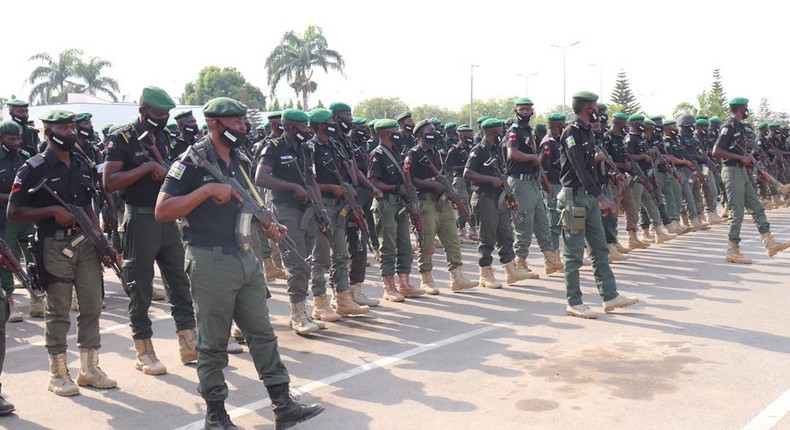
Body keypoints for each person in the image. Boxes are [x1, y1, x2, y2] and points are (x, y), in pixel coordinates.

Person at [156, 97, 323, 430]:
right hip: (210, 260)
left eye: (244, 122)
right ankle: (216, 415)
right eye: (237, 123)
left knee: (262, 333)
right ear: (216, 125)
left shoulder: (240, 160)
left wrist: (267, 223)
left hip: (246, 256)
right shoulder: (191, 162)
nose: (244, 128)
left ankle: (282, 402)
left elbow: (250, 202)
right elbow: (163, 210)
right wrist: (204, 193)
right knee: (213, 342)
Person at [8, 109, 118, 396]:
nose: (71, 132)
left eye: (72, 128)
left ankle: (89, 369)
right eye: (64, 128)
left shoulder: (81, 162)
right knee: (58, 310)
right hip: (54, 244)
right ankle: (58, 372)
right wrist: (51, 211)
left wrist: (102, 243)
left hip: (86, 243)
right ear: (48, 132)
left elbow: (89, 207)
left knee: (92, 305)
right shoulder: (33, 168)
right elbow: (15, 211)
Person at [104, 87, 197, 374]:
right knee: (140, 287)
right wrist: (146, 169)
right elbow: (108, 181)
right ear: (143, 110)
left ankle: (189, 342)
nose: (163, 118)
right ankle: (144, 350)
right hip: (140, 219)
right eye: (158, 113)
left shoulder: (164, 136)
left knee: (179, 283)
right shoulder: (121, 138)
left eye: (167, 113)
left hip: (166, 218)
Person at [557, 92, 639, 319]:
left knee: (599, 248)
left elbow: (587, 164)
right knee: (573, 254)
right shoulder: (571, 132)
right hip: (574, 197)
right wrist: (601, 197)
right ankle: (574, 302)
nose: (598, 110)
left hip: (589, 196)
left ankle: (610, 296)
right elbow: (578, 169)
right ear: (586, 108)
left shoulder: (587, 132)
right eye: (594, 106)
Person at [256, 108, 327, 334]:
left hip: (308, 211)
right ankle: (297, 315)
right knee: (296, 263)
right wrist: (292, 187)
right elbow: (261, 177)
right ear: (289, 127)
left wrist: (320, 208)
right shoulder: (273, 148)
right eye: (303, 127)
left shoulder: (306, 149)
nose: (307, 131)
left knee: (307, 261)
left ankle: (303, 312)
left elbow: (312, 179)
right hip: (286, 210)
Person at [305, 107, 371, 321]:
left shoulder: (337, 146)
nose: (336, 124)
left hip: (342, 206)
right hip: (323, 205)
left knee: (341, 254)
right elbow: (308, 181)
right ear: (323, 125)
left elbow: (350, 172)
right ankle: (320, 303)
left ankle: (342, 299)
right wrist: (332, 188)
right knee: (321, 257)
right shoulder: (311, 148)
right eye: (331, 122)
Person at [711, 97, 790, 264]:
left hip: (740, 172)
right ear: (740, 109)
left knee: (757, 207)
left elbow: (741, 155)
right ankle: (732, 249)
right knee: (736, 212)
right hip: (731, 172)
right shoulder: (728, 126)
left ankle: (769, 242)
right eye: (746, 107)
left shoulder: (738, 127)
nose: (748, 110)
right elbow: (716, 151)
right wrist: (741, 157)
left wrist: (753, 166)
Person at [406, 120, 478, 294]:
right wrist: (431, 185)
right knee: (427, 241)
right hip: (425, 201)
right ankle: (427, 279)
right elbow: (409, 179)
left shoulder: (436, 153)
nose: (435, 132)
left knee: (452, 239)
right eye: (431, 130)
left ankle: (457, 277)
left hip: (442, 201)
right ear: (422, 134)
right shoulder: (414, 154)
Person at [464, 118, 533, 288]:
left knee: (506, 235)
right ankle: (485, 273)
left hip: (500, 198)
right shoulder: (479, 150)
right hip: (485, 198)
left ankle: (510, 270)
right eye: (501, 128)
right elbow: (467, 173)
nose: (503, 130)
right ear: (494, 131)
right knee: (487, 237)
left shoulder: (497, 150)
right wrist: (490, 180)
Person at [367, 119, 426, 301]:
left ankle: (404, 283)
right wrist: (394, 189)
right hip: (385, 204)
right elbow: (373, 182)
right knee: (388, 247)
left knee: (404, 245)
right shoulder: (377, 154)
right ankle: (389, 287)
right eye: (394, 131)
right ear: (385, 133)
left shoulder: (397, 152)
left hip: (400, 204)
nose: (398, 134)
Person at [505, 98, 563, 277]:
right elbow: (512, 153)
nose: (525, 112)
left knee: (542, 222)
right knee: (524, 224)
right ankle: (520, 262)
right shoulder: (514, 131)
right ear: (516, 111)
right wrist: (532, 158)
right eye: (522, 109)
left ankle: (550, 260)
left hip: (532, 182)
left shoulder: (528, 130)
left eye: (528, 109)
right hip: (520, 182)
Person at [0, 121, 42, 321]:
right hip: (4, 218)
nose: (16, 142)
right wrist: (10, 198)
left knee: (33, 254)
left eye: (18, 138)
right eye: (11, 139)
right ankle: (10, 302)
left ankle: (36, 298)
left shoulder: (25, 158)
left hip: (25, 215)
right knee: (7, 260)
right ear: (2, 139)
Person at [445, 124, 478, 242]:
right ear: (462, 136)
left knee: (473, 205)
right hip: (459, 179)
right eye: (469, 134)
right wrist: (463, 167)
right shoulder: (454, 150)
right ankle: (461, 231)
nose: (471, 136)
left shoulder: (473, 148)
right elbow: (448, 165)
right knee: (462, 204)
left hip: (472, 179)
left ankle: (472, 231)